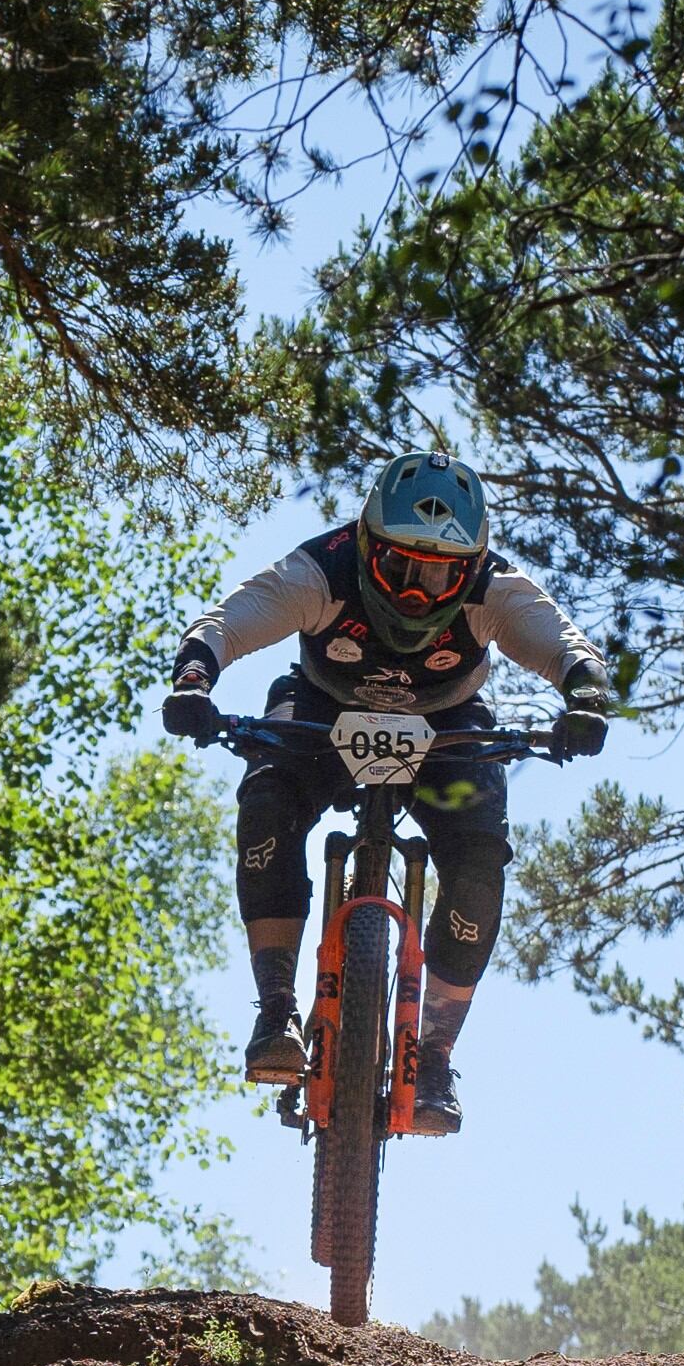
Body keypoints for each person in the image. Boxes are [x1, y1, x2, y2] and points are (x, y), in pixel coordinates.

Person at [160, 450, 609, 1136]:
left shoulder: (498, 589)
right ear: (366, 545)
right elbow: (230, 621)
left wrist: (584, 696)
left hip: (448, 728)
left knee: (480, 860)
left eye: (439, 573)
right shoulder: (322, 569)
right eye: (400, 566)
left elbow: (565, 647)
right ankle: (275, 1007)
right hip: (321, 709)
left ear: (472, 566)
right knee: (267, 802)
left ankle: (433, 1057)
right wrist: (195, 679)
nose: (417, 592)